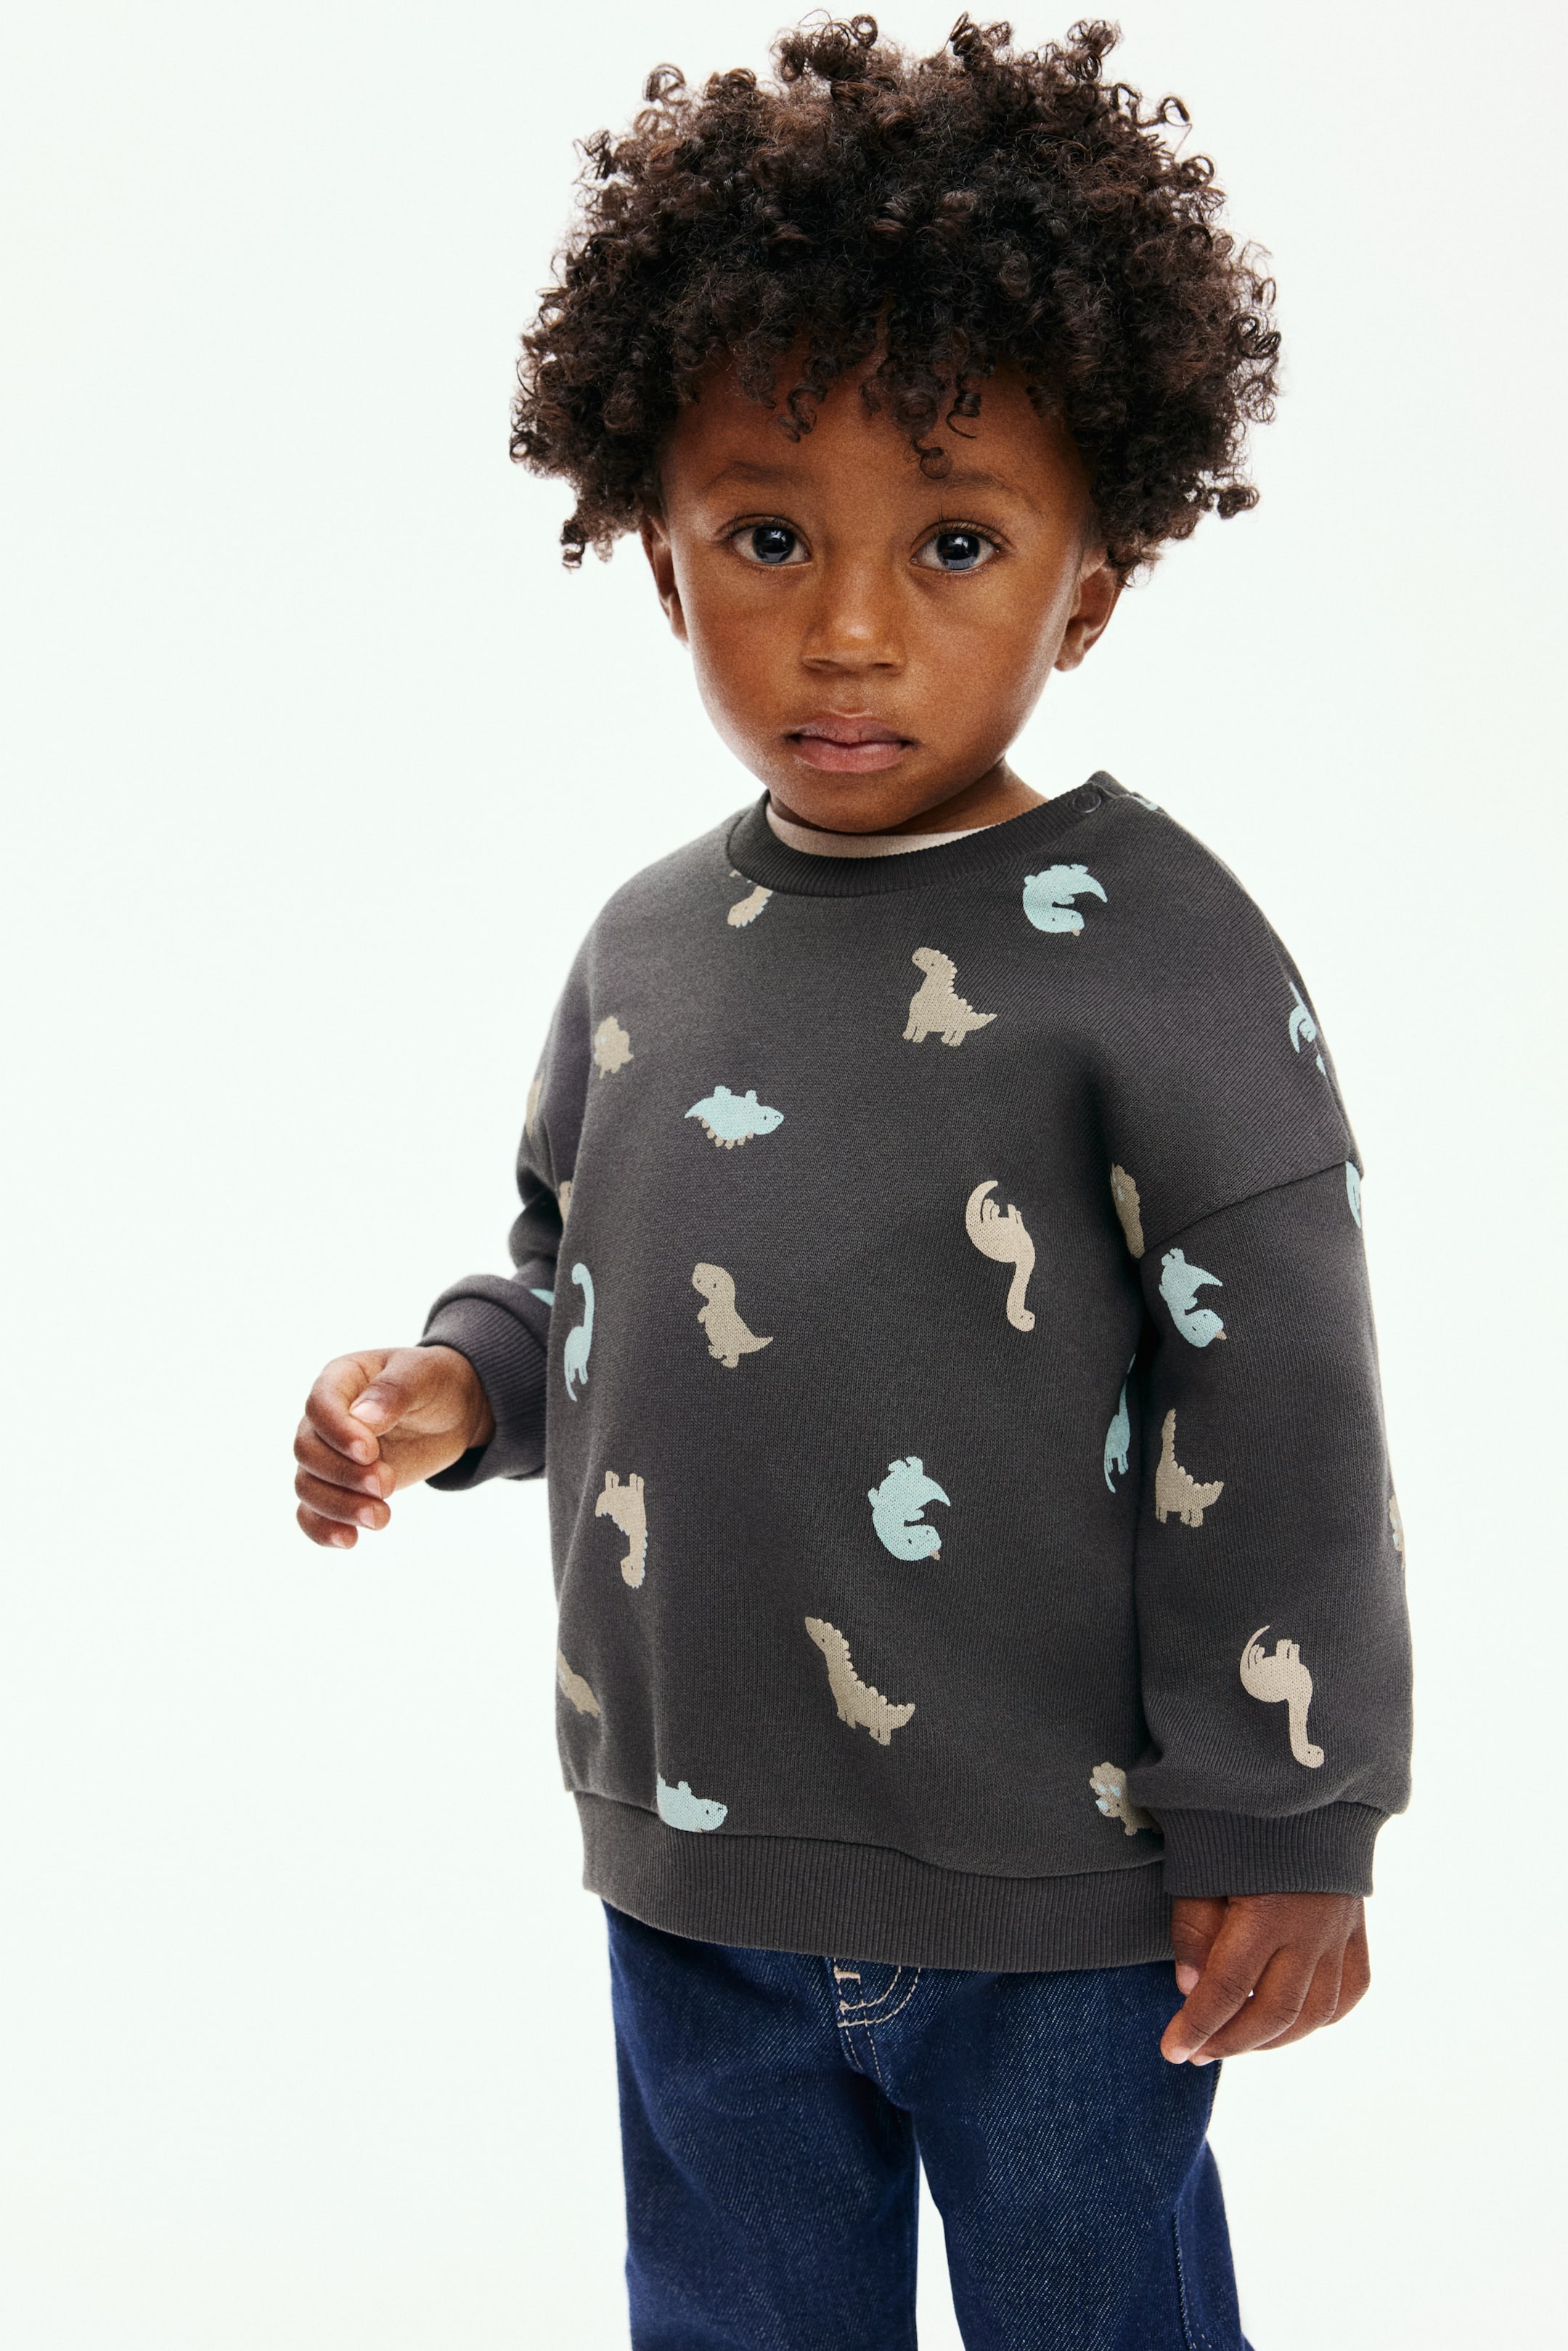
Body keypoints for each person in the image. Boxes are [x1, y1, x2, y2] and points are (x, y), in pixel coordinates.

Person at [293, 18, 1412, 2346]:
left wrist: (1294, 1823)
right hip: (692, 1868)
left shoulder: (1164, 958)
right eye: (770, 535)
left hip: (1064, 1903)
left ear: (1093, 584)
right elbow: (578, 1272)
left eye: (959, 540)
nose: (853, 626)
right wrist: (456, 1389)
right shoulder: (644, 949)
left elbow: (1285, 1418)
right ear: (659, 550)